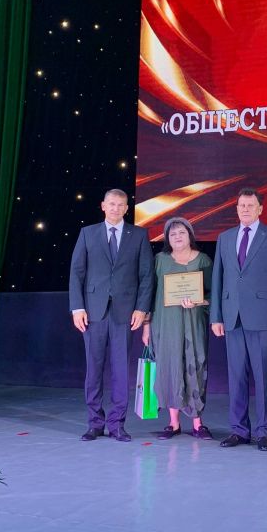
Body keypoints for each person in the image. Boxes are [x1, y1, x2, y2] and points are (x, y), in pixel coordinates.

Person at [70, 189, 155, 442]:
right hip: (92, 312)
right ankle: (94, 423)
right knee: (93, 369)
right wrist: (77, 307)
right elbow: (76, 272)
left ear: (127, 208)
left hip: (125, 313)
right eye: (111, 204)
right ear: (103, 206)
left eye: (120, 205)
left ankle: (117, 424)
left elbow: (146, 275)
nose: (116, 208)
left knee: (120, 371)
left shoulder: (138, 235)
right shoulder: (88, 233)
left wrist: (142, 309)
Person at [211, 187, 267, 451]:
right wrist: (216, 317)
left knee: (264, 376)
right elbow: (218, 278)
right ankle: (239, 430)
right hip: (232, 318)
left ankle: (264, 431)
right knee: (236, 377)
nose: (245, 209)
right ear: (236, 209)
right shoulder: (224, 237)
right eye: (241, 205)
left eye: (250, 205)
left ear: (260, 209)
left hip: (263, 319)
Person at [142, 217, 214, 440]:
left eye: (182, 232)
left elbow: (213, 293)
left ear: (190, 235)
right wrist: (146, 326)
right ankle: (173, 423)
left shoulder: (203, 260)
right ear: (167, 239)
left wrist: (200, 301)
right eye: (172, 234)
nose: (177, 237)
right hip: (166, 323)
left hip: (194, 322)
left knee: (196, 365)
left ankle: (198, 424)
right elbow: (149, 294)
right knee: (169, 367)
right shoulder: (160, 260)